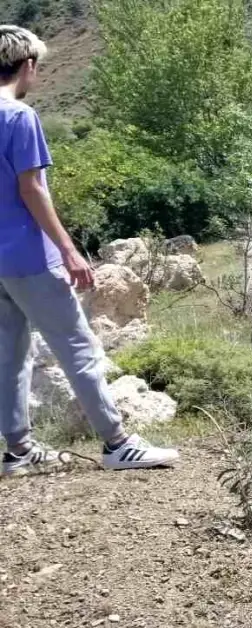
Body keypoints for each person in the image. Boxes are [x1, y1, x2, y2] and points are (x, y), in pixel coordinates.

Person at [0, 26, 178, 476]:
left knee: (9, 354)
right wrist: (69, 249)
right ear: (29, 66)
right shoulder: (19, 117)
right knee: (77, 347)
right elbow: (32, 189)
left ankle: (18, 451)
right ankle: (117, 444)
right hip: (30, 257)